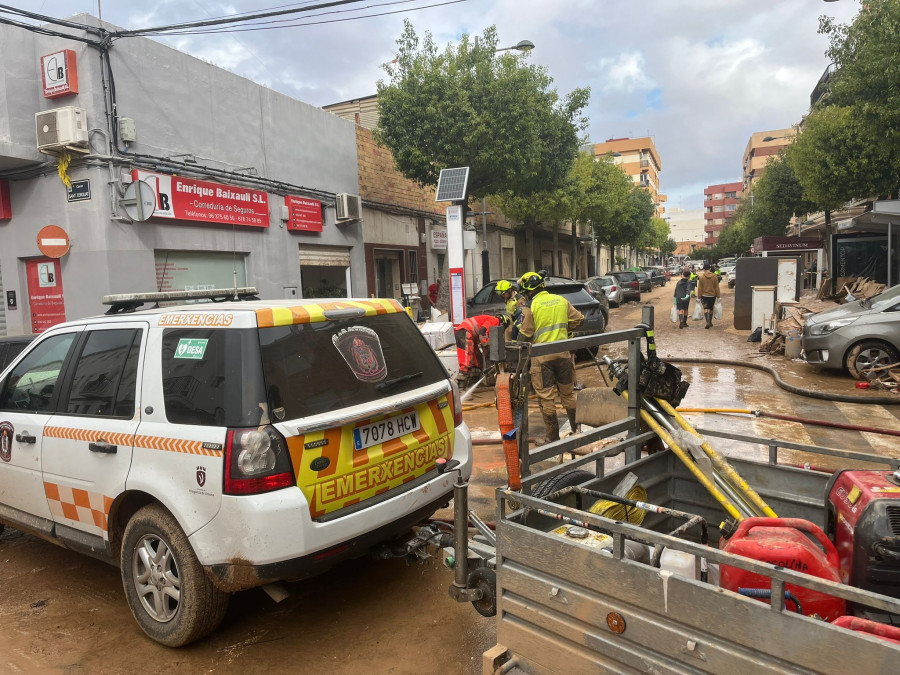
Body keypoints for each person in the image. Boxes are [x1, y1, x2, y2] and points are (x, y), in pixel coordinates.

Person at [516, 272, 584, 446]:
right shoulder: (561, 300)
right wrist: (565, 330)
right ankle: (577, 432)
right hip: (563, 354)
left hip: (542, 358)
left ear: (529, 291)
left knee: (546, 397)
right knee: (568, 394)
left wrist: (517, 343)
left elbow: (525, 334)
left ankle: (551, 438)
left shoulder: (530, 307)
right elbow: (579, 320)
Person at [454, 314, 509, 383]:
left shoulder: (490, 322)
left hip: (467, 332)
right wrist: (488, 347)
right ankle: (462, 377)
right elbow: (482, 332)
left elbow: (483, 337)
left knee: (477, 359)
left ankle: (474, 376)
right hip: (465, 331)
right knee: (467, 357)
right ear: (503, 323)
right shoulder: (495, 321)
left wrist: (486, 350)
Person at [696, 262, 721, 329]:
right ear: (710, 269)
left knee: (706, 308)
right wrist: (718, 296)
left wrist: (698, 297)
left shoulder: (701, 277)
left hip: (704, 295)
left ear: (704, 269)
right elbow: (716, 287)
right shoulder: (714, 276)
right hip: (712, 295)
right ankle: (710, 322)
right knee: (711, 308)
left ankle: (707, 322)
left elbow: (700, 288)